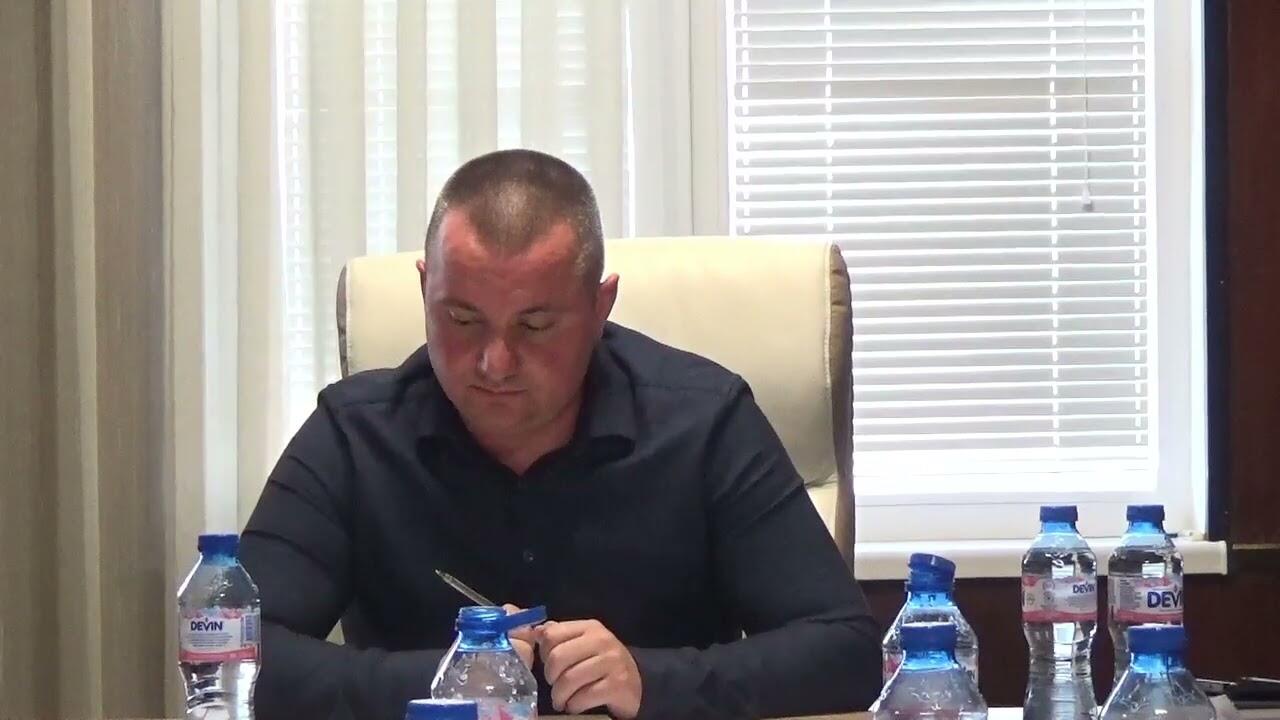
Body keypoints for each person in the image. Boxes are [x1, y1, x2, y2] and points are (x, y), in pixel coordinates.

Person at [239, 148, 882, 720]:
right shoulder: (355, 435)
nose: (494, 363)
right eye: (461, 319)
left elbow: (845, 649)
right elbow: (238, 652)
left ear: (601, 307)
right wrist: (447, 682)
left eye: (535, 326)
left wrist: (651, 680)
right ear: (425, 288)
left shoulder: (704, 422)